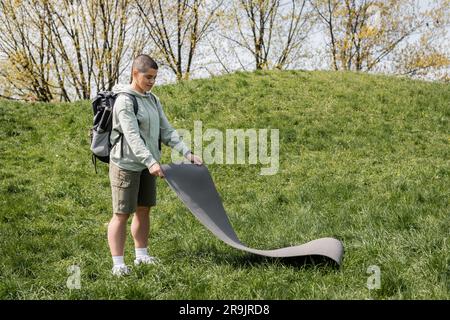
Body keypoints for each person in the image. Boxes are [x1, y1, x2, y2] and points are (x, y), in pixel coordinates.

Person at [108, 54, 202, 276]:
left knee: (143, 209)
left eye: (155, 77)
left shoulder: (153, 99)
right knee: (121, 214)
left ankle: (141, 256)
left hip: (147, 165)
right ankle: (118, 264)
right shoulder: (124, 101)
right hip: (126, 165)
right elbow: (132, 136)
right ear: (135, 73)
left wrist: (187, 153)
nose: (151, 81)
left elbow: (166, 130)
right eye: (148, 77)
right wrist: (151, 162)